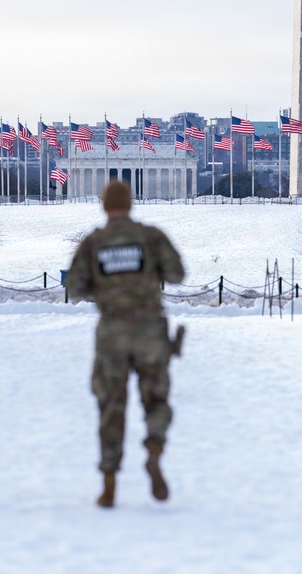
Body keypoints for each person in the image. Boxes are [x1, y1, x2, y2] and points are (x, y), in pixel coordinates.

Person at [66, 180, 185, 508]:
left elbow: (74, 287)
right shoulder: (150, 237)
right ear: (131, 205)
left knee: (111, 407)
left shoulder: (94, 243)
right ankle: (154, 451)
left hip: (112, 331)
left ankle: (109, 483)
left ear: (104, 206)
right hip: (150, 330)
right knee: (157, 400)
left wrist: (105, 291)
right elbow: (177, 274)